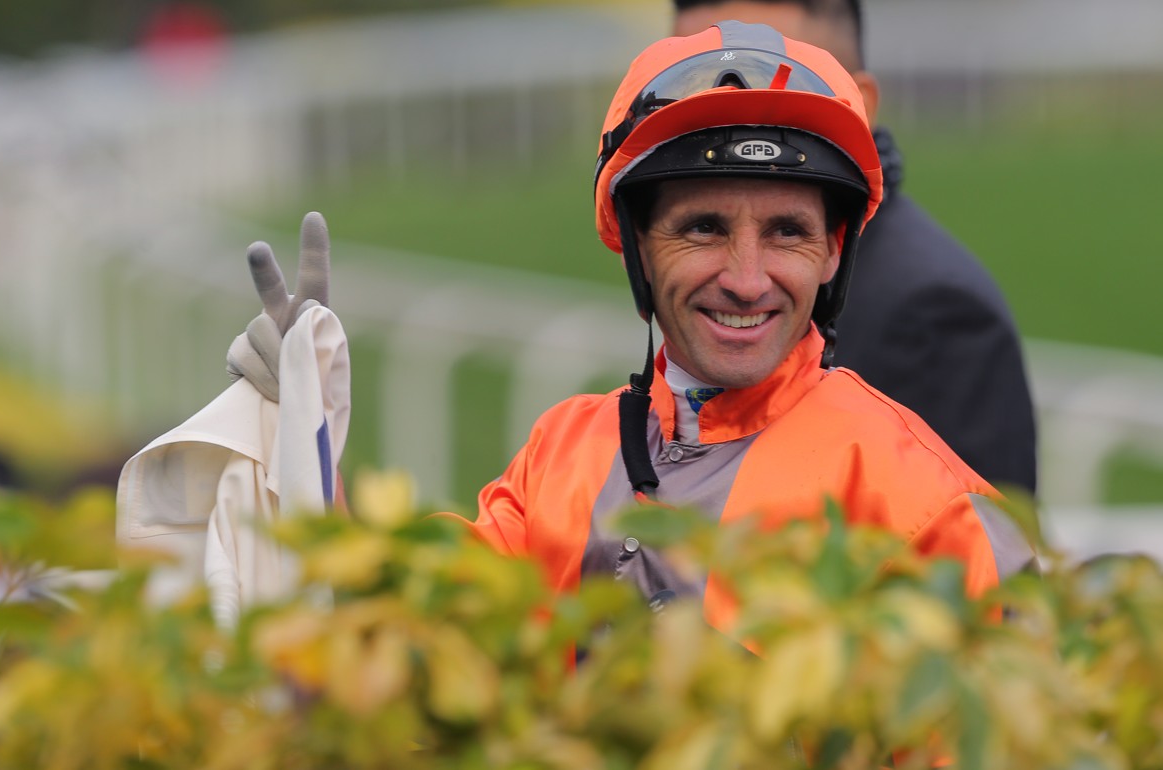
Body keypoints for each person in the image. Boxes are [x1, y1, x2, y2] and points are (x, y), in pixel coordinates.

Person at [205, 21, 1031, 631]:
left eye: (787, 232)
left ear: (834, 254)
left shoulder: (930, 504)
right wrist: (306, 439)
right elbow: (425, 635)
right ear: (638, 245)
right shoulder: (563, 453)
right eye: (704, 227)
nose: (747, 280)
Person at [672, 0, 1039, 498]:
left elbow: (976, 557)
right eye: (685, 83)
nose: (725, 115)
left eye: (766, 76)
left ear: (859, 103)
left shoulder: (930, 308)